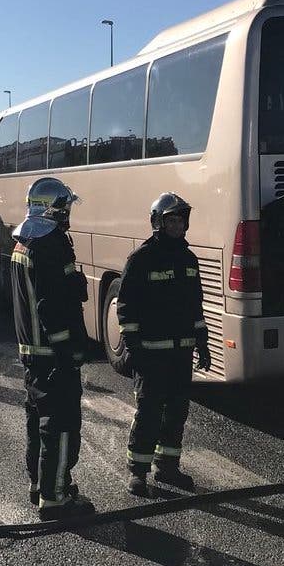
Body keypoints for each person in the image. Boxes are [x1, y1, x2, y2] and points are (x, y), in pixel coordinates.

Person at [117, 193, 210, 496]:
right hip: (151, 354)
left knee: (177, 411)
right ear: (158, 222)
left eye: (180, 221)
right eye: (171, 220)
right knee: (149, 412)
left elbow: (196, 304)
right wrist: (132, 346)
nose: (177, 226)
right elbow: (126, 307)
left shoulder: (188, 258)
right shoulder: (141, 259)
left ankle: (168, 468)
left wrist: (203, 342)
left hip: (181, 353)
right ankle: (138, 472)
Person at [11, 177, 93, 520]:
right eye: (65, 207)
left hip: (32, 351)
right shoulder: (50, 244)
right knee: (59, 423)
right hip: (51, 354)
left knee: (37, 419)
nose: (68, 213)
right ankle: (55, 498)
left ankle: (41, 483)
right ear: (53, 208)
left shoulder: (25, 240)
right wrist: (66, 352)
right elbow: (52, 305)